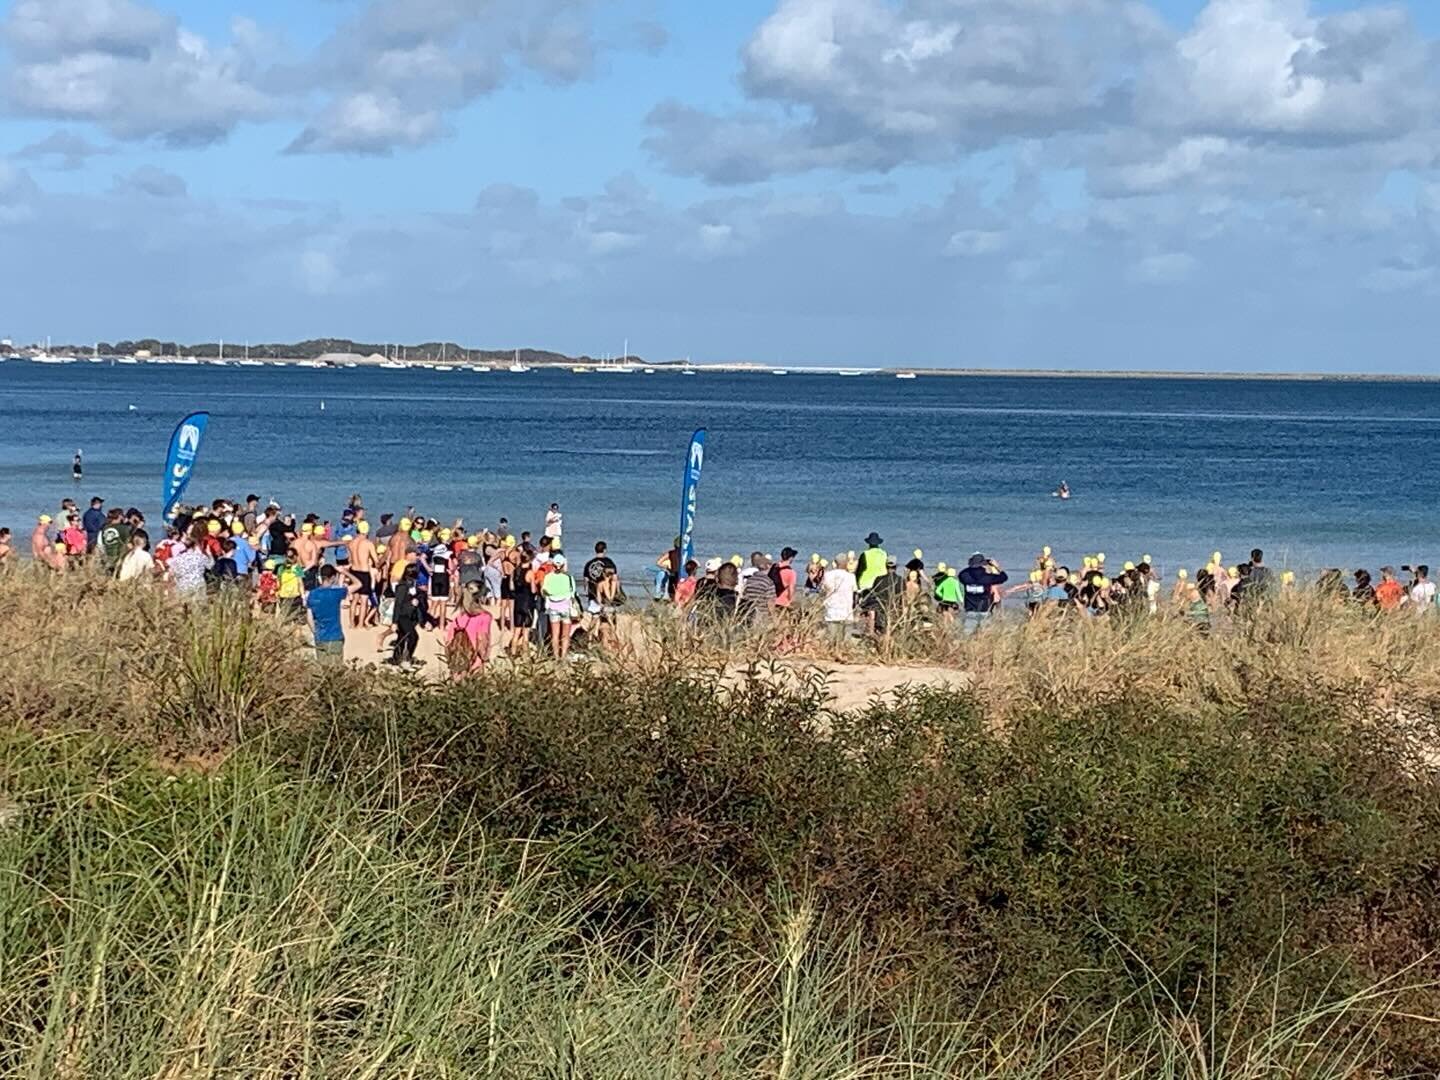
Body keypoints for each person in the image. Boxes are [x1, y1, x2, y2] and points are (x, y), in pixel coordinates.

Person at [306, 565, 358, 663]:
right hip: (335, 636)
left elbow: (309, 617)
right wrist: (345, 572)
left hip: (320, 637)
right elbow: (358, 584)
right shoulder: (336, 593)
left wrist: (315, 632)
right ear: (333, 577)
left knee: (323, 670)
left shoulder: (312, 594)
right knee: (336, 671)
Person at [958, 554, 1009, 636]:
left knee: (966, 636)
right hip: (985, 610)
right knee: (986, 635)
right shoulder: (987, 578)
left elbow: (961, 574)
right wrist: (997, 566)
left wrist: (971, 567)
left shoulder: (965, 576)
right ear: (983, 564)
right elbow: (1004, 577)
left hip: (970, 609)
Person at [388, 563, 425, 668]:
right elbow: (398, 604)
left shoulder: (414, 585)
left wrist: (417, 599)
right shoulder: (402, 586)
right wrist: (394, 622)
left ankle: (396, 659)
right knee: (413, 636)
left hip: (411, 616)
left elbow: (420, 596)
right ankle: (407, 658)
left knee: (402, 637)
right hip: (402, 616)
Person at [541, 553, 577, 660]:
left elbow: (544, 592)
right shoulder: (569, 577)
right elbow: (573, 593)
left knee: (555, 634)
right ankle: (563, 656)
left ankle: (556, 657)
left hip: (553, 607)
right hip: (565, 607)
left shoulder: (548, 577)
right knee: (565, 635)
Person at [821, 554, 857, 644]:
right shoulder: (851, 576)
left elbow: (823, 589)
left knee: (831, 639)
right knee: (845, 641)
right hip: (846, 611)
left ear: (836, 563)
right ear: (846, 563)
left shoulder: (828, 575)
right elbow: (855, 591)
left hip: (831, 610)